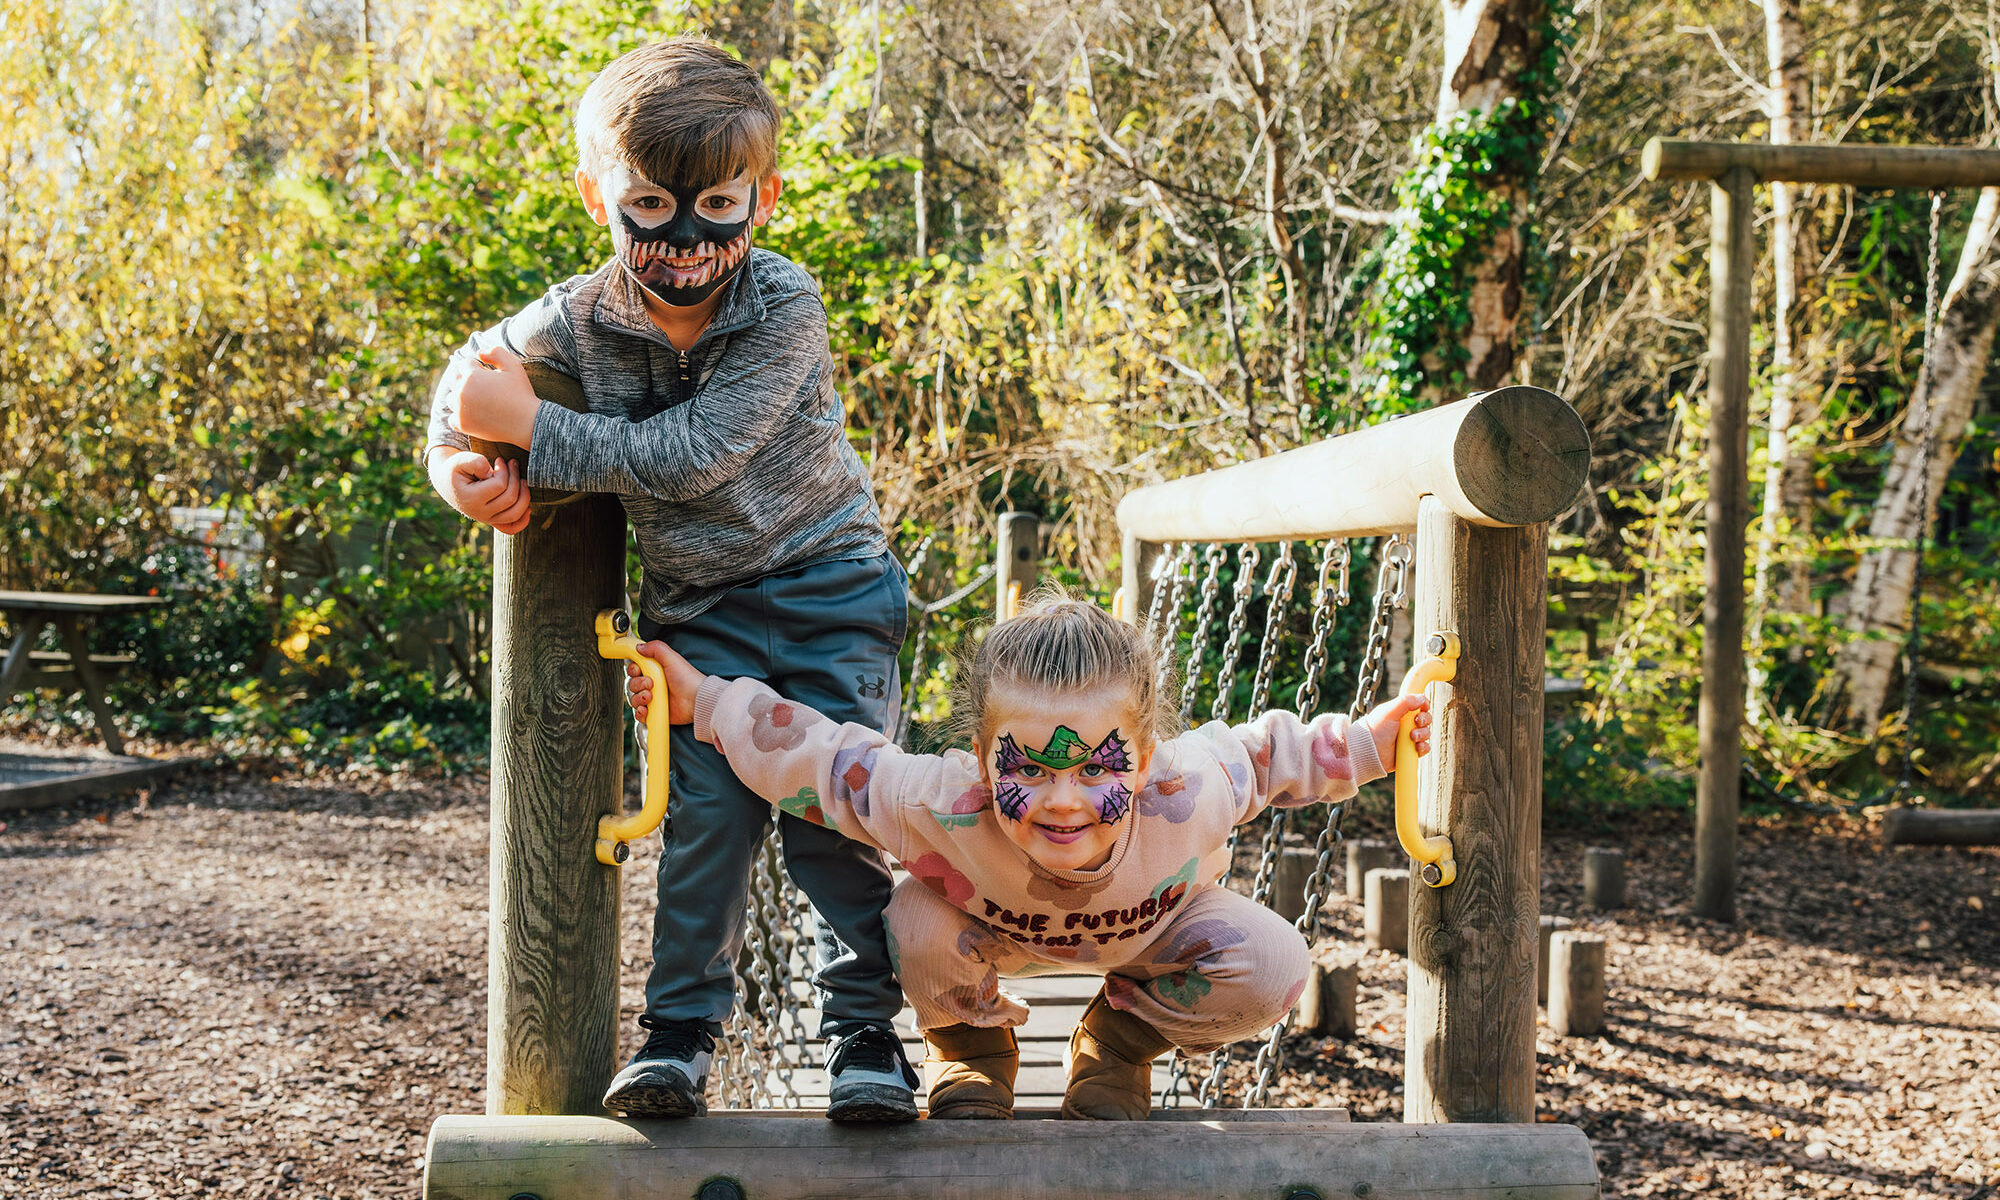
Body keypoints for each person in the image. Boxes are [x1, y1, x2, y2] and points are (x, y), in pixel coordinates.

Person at [421, 37, 918, 1123]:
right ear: (595, 190)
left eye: (718, 205)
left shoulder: (783, 306)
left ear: (765, 197)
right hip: (700, 616)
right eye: (648, 205)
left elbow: (693, 454)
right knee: (705, 821)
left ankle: (866, 1037)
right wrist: (459, 468)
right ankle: (679, 1034)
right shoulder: (575, 318)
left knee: (832, 811)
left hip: (832, 586)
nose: (688, 240)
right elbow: (467, 381)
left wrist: (534, 435)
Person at [623, 592, 1433, 1120]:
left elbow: (1269, 754)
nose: (1063, 800)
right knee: (910, 916)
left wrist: (1371, 743)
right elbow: (825, 762)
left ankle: (1115, 1041)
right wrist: (713, 703)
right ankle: (970, 1048)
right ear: (983, 761)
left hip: (1152, 938)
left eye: (1097, 767)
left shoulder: (1190, 788)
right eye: (1029, 769)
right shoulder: (941, 803)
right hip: (990, 936)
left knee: (1272, 962)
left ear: (1144, 760)